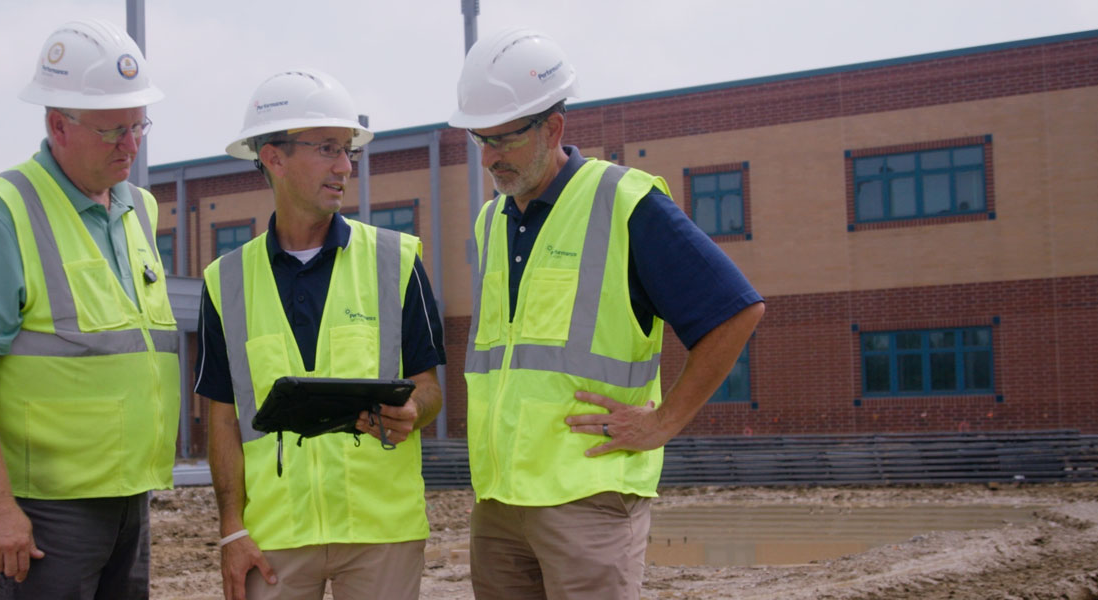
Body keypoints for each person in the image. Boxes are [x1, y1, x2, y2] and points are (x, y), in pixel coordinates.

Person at [450, 28, 766, 599]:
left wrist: (664, 422)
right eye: (480, 139)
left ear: (553, 127)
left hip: (588, 499)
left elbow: (734, 311)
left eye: (504, 138)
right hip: (498, 502)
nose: (490, 156)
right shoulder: (490, 222)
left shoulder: (626, 203)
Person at [0, 19, 177, 600]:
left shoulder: (138, 208)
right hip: (45, 513)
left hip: (127, 499)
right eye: (113, 129)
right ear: (57, 125)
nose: (131, 144)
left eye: (139, 124)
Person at [194, 68, 446, 600]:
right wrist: (231, 530)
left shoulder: (396, 261)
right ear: (274, 157)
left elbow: (429, 388)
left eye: (348, 150)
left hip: (382, 533)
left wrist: (412, 411)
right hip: (274, 536)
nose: (344, 166)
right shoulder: (226, 281)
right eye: (329, 148)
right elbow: (221, 413)